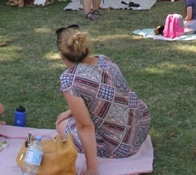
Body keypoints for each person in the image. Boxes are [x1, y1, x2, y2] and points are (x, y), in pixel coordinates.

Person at [55, 25, 150, 175]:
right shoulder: (104, 60)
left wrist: (92, 169)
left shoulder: (70, 80)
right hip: (141, 127)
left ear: (62, 55)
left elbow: (85, 127)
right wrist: (72, 111)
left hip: (122, 146)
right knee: (70, 119)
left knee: (62, 125)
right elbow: (113, 95)